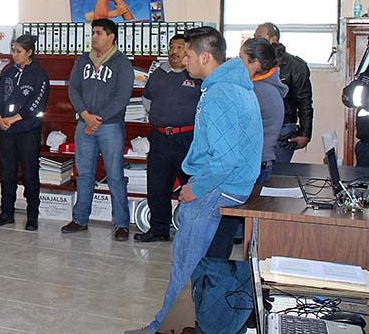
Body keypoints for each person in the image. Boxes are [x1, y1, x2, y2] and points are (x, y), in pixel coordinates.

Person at [124, 26, 262, 334]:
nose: (183, 60)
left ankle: (163, 328)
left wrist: (194, 189)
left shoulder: (219, 95)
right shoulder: (234, 85)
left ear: (204, 56)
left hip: (216, 188)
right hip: (233, 185)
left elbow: (223, 160)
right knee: (193, 264)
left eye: (187, 55)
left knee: (185, 266)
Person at [206, 37, 286, 259]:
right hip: (258, 163)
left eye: (240, 58)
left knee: (223, 228)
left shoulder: (257, 92)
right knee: (228, 227)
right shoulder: (265, 87)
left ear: (255, 64)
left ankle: (214, 276)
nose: (234, 62)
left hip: (249, 167)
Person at [63, 18, 134, 241]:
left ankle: (121, 224)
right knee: (84, 174)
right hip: (84, 124)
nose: (94, 37)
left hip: (110, 126)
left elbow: (123, 96)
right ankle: (80, 219)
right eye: (93, 32)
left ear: (111, 37)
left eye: (99, 33)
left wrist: (98, 120)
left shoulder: (121, 63)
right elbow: (73, 89)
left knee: (114, 175)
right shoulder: (83, 60)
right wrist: (85, 115)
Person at [134, 34, 201, 243]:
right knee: (157, 186)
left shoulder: (197, 75)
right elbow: (146, 99)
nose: (174, 51)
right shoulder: (159, 73)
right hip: (160, 137)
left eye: (179, 47)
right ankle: (158, 229)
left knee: (190, 185)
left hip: (187, 139)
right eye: (171, 46)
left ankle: (192, 231)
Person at [0, 34, 49, 231]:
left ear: (29, 52)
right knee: (7, 172)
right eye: (13, 51)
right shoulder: (8, 72)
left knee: (30, 173)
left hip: (27, 131)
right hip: (6, 130)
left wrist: (15, 118)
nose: (14, 55)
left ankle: (32, 216)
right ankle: (7, 212)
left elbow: (37, 104)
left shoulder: (39, 74)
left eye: (19, 51)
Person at [254, 22, 313, 163]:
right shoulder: (252, 63)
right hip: (256, 126)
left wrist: (305, 134)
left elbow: (304, 101)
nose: (255, 40)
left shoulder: (295, 65)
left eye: (259, 36)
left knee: (277, 175)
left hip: (284, 128)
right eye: (254, 37)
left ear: (273, 39)